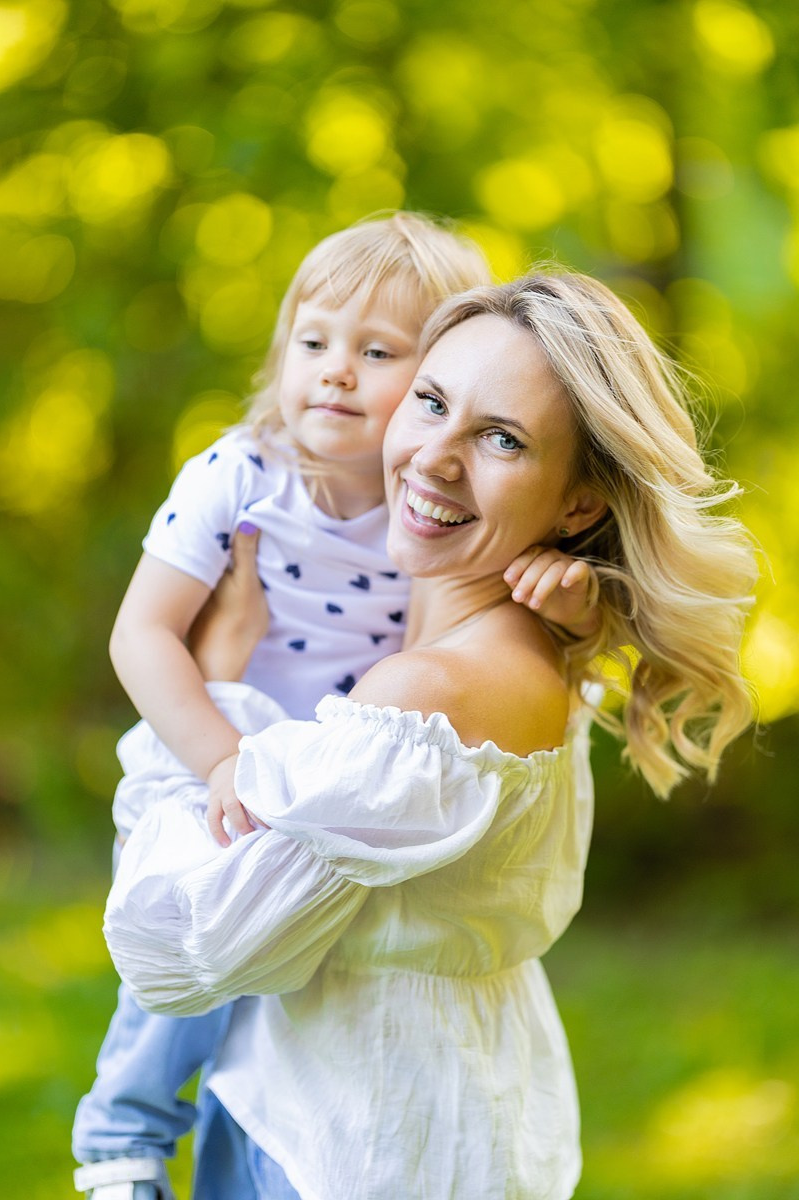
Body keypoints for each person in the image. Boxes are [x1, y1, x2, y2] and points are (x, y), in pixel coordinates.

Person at [104, 269, 757, 1199]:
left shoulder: (431, 693)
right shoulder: (527, 640)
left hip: (349, 1145)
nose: (433, 459)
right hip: (404, 1115)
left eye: (500, 438)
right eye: (430, 401)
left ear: (579, 504)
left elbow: (184, 950)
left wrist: (218, 685)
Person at [73, 217, 599, 1200]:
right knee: (175, 1001)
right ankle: (124, 1135)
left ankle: (127, 1131)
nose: (335, 374)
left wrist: (572, 603)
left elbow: (468, 641)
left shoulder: (430, 527)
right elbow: (140, 634)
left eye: (378, 355)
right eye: (312, 343)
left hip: (310, 808)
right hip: (217, 753)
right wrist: (219, 745)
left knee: (211, 962)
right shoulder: (243, 478)